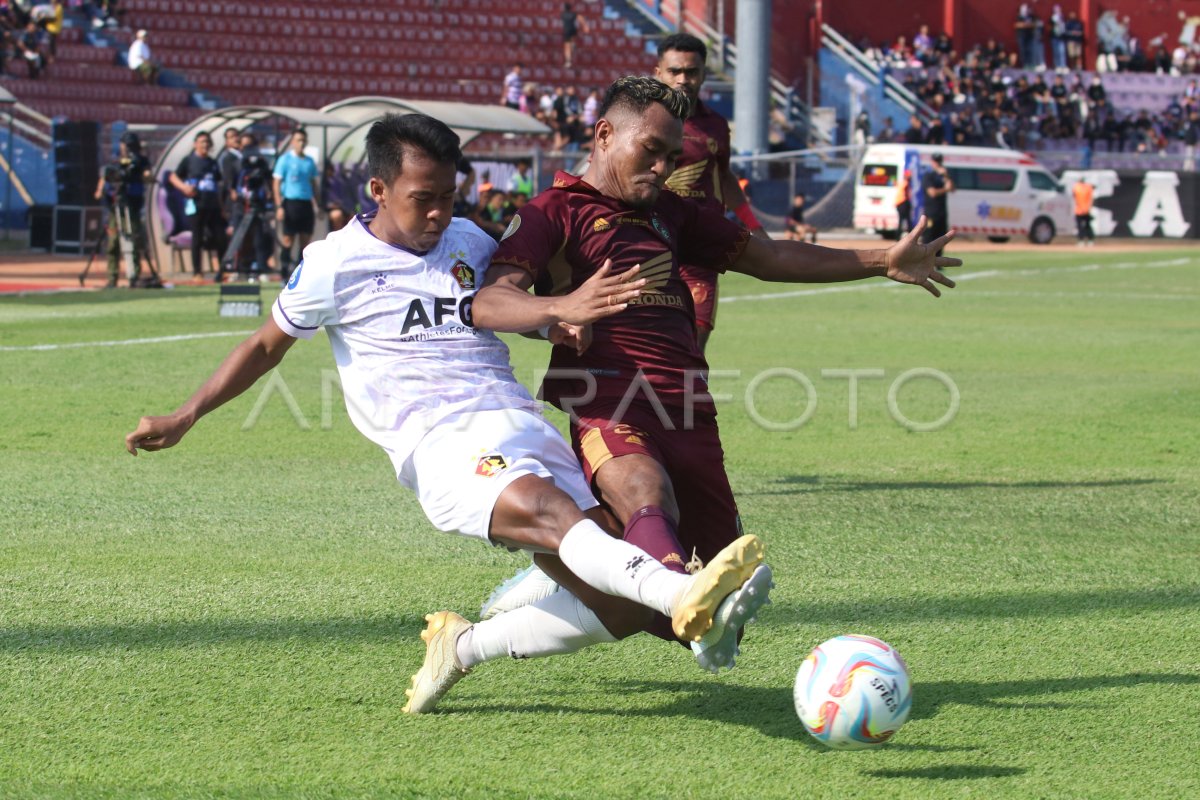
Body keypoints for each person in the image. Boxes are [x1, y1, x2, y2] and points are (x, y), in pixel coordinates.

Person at [123, 112, 770, 716]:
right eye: (422, 197)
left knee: (620, 611)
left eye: (448, 196)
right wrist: (186, 416)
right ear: (378, 188)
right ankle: (681, 593)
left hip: (517, 420)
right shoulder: (334, 264)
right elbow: (264, 345)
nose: (438, 213)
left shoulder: (467, 238)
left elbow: (506, 305)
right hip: (437, 439)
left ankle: (461, 648)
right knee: (555, 515)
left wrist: (555, 327)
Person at [473, 76, 958, 662]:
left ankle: (573, 558)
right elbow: (493, 299)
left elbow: (769, 256)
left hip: (688, 410)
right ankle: (591, 558)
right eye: (650, 150)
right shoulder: (555, 210)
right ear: (604, 134)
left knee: (714, 616)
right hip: (606, 400)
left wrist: (882, 260)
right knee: (650, 503)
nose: (662, 168)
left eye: (672, 157)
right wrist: (561, 309)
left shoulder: (672, 213)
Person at [652, 33, 771, 353]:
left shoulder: (716, 125)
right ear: (658, 72)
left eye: (691, 72)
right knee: (648, 341)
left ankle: (686, 402)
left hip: (702, 242)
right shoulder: (642, 120)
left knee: (694, 344)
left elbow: (724, 176)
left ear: (703, 74)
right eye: (674, 71)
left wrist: (754, 226)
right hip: (650, 241)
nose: (683, 79)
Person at [93, 131, 151, 288]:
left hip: (131, 206)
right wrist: (101, 190)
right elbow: (107, 176)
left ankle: (134, 275)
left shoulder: (141, 162)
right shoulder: (116, 160)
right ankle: (112, 277)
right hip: (115, 206)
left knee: (133, 240)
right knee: (113, 242)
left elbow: (147, 176)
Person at [169, 130, 225, 279]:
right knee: (197, 238)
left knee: (220, 237)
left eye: (207, 142)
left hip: (212, 205)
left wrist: (222, 206)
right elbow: (173, 177)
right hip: (196, 205)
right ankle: (197, 271)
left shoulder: (212, 162)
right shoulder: (188, 161)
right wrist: (184, 188)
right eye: (202, 142)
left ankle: (222, 271)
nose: (205, 145)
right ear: (195, 144)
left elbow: (218, 183)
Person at [273, 128, 320, 280]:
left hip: (306, 203)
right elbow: (276, 183)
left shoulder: (309, 161)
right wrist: (279, 205)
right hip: (291, 203)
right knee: (288, 239)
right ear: (292, 142)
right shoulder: (285, 160)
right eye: (298, 140)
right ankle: (284, 272)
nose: (301, 143)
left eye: (303, 140)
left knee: (305, 241)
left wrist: (317, 204)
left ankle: (301, 274)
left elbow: (314, 183)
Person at [922, 152, 954, 257]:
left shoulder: (943, 176)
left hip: (941, 211)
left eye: (939, 161)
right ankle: (925, 259)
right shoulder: (928, 176)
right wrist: (945, 189)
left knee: (941, 236)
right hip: (931, 212)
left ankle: (938, 260)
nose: (938, 163)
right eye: (936, 161)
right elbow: (932, 193)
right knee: (929, 236)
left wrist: (946, 176)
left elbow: (952, 188)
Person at [561, 2, 587, 69]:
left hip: (567, 31)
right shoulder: (573, 14)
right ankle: (573, 44)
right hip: (573, 30)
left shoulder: (563, 14)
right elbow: (580, 18)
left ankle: (568, 62)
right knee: (571, 40)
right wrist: (585, 26)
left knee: (567, 47)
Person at [1073, 176, 1095, 246]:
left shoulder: (1077, 187)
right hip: (1085, 210)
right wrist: (1088, 208)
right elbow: (1090, 199)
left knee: (1081, 226)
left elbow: (1075, 198)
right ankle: (1089, 240)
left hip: (1080, 210)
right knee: (1087, 226)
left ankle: (1082, 240)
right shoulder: (1088, 187)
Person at [894, 168, 913, 236]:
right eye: (909, 176)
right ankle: (910, 235)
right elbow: (905, 191)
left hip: (899, 203)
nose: (910, 177)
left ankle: (898, 236)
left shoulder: (902, 182)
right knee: (907, 220)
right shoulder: (906, 183)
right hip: (903, 203)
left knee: (902, 220)